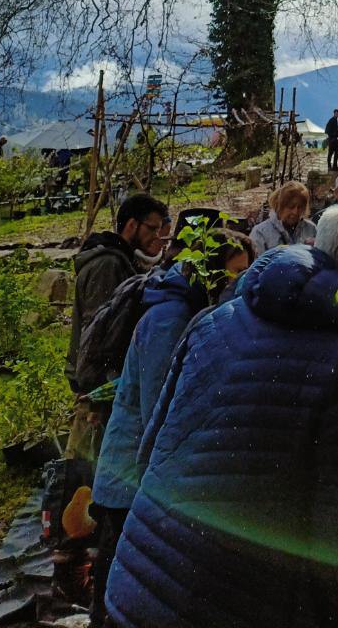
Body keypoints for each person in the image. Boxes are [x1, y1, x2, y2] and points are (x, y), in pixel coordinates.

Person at [104, 201, 338, 628]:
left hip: (139, 581)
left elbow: (150, 449)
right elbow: (336, 530)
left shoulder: (215, 318)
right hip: (231, 600)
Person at [89, 230, 250, 627]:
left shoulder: (196, 316)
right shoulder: (169, 320)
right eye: (235, 275)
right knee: (116, 594)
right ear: (210, 274)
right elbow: (158, 415)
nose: (243, 286)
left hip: (147, 478)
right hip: (129, 479)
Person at [66, 193, 170, 391]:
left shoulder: (122, 261)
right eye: (152, 228)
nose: (157, 237)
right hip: (97, 386)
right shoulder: (108, 265)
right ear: (132, 225)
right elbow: (99, 332)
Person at [249, 181, 316, 255]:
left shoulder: (311, 229)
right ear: (279, 206)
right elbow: (257, 264)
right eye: (291, 207)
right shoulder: (260, 233)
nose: (295, 212)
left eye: (300, 207)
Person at [325, 106, 338, 172]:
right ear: (334, 113)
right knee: (330, 153)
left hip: (334, 139)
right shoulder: (331, 120)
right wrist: (332, 136)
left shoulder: (335, 120)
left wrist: (337, 134)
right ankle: (330, 167)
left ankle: (334, 166)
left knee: (336, 151)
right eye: (336, 113)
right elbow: (327, 130)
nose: (337, 114)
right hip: (332, 140)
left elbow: (335, 130)